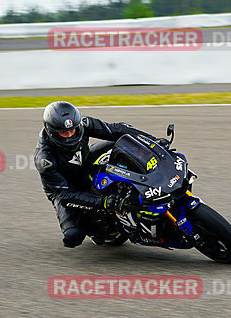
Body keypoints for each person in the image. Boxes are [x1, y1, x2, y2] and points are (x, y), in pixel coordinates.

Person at [34, 101, 157, 248]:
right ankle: (96, 230)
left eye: (72, 130)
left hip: (86, 162)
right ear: (51, 131)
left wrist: (151, 141)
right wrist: (104, 202)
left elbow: (117, 129)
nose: (70, 135)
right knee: (73, 236)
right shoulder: (45, 159)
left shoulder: (83, 124)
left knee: (121, 143)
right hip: (66, 188)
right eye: (64, 133)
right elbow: (65, 195)